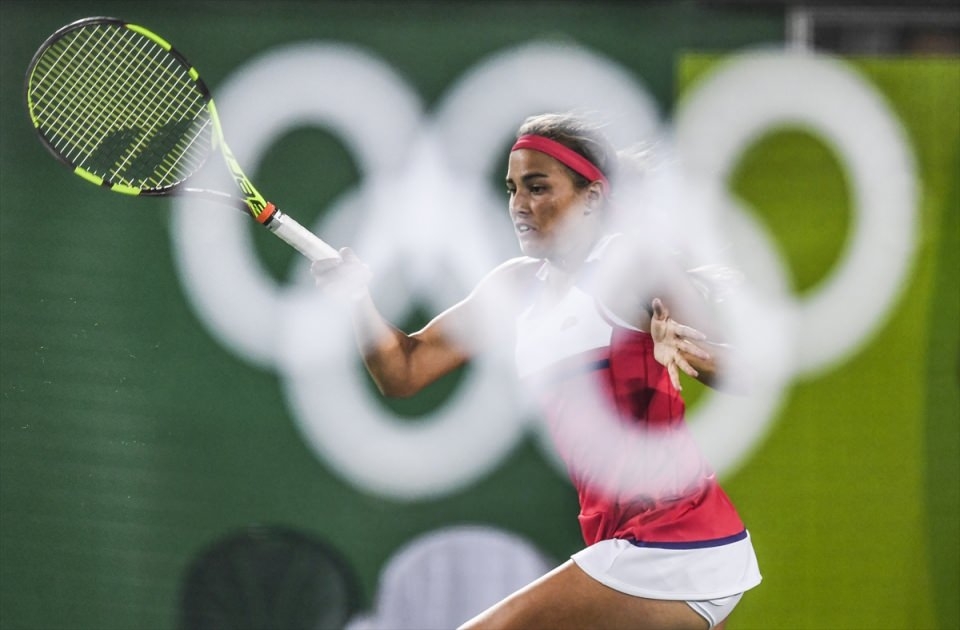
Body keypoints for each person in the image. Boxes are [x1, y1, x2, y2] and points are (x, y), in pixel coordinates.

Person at [312, 112, 761, 630]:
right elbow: (403, 371)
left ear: (591, 197)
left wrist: (689, 352)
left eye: (538, 187)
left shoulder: (631, 270)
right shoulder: (516, 288)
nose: (520, 205)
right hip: (629, 544)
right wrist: (357, 299)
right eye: (512, 189)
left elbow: (745, 370)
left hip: (676, 542)